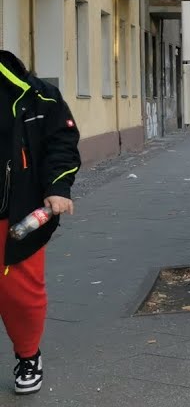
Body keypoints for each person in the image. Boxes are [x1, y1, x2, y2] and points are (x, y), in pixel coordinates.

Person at [0, 50, 79, 395]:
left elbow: (61, 141)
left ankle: (28, 355)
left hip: (15, 213)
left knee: (20, 296)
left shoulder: (37, 94)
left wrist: (58, 187)